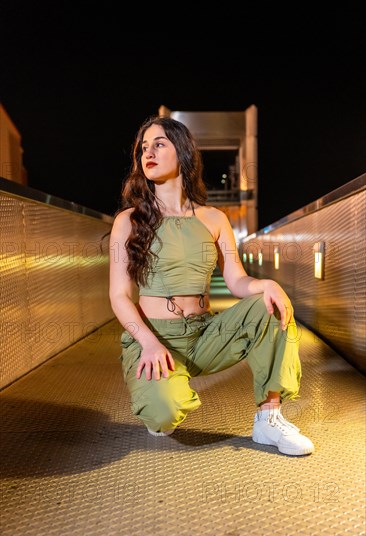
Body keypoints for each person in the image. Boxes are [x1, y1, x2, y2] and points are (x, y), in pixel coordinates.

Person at [109, 114, 314, 456]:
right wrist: (148, 342)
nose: (149, 152)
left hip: (205, 335)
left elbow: (235, 280)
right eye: (144, 147)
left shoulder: (214, 219)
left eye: (159, 144)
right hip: (153, 339)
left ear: (183, 152)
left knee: (269, 305)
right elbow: (118, 296)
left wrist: (264, 284)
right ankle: (160, 396)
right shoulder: (128, 221)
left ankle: (269, 418)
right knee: (163, 415)